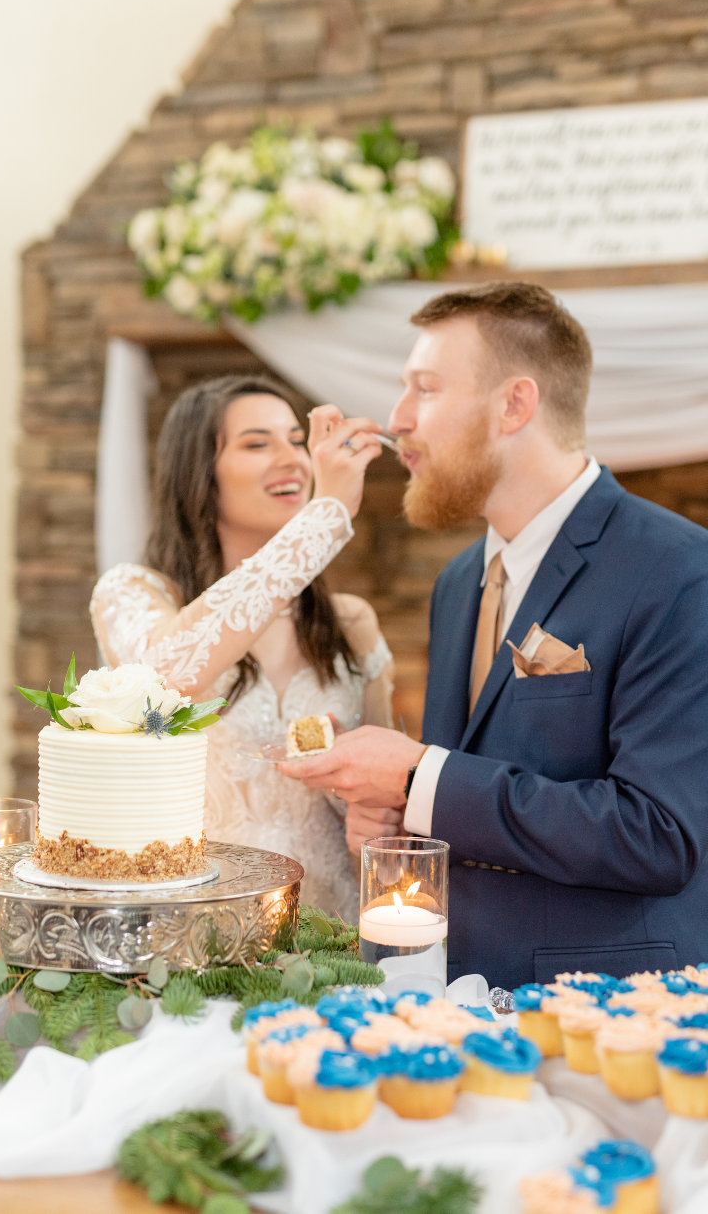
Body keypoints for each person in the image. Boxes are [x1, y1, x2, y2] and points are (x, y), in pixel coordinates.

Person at [283, 282, 708, 988]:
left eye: (425, 389)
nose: (397, 421)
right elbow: (473, 799)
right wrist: (397, 818)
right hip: (454, 991)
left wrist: (418, 775)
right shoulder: (459, 584)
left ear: (514, 404)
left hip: (604, 1013)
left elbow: (657, 835)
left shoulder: (679, 570)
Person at [91, 375, 391, 915]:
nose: (293, 459)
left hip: (332, 937)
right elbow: (164, 674)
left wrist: (356, 787)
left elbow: (389, 800)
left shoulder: (350, 622)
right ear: (199, 475)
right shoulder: (132, 594)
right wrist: (327, 515)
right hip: (193, 938)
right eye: (258, 443)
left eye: (297, 441)